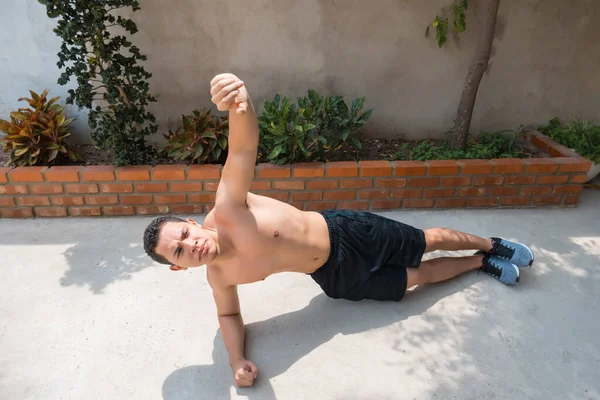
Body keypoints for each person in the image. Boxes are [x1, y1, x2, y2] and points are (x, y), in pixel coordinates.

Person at [143, 73, 534, 388]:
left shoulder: (228, 208)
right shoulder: (220, 276)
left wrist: (240, 104)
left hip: (347, 232)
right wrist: (236, 361)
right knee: (415, 278)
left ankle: (491, 243)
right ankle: (481, 263)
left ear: (191, 224)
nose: (189, 245)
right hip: (334, 275)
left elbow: (242, 150)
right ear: (179, 268)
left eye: (183, 234)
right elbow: (229, 315)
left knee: (427, 241)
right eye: (178, 252)